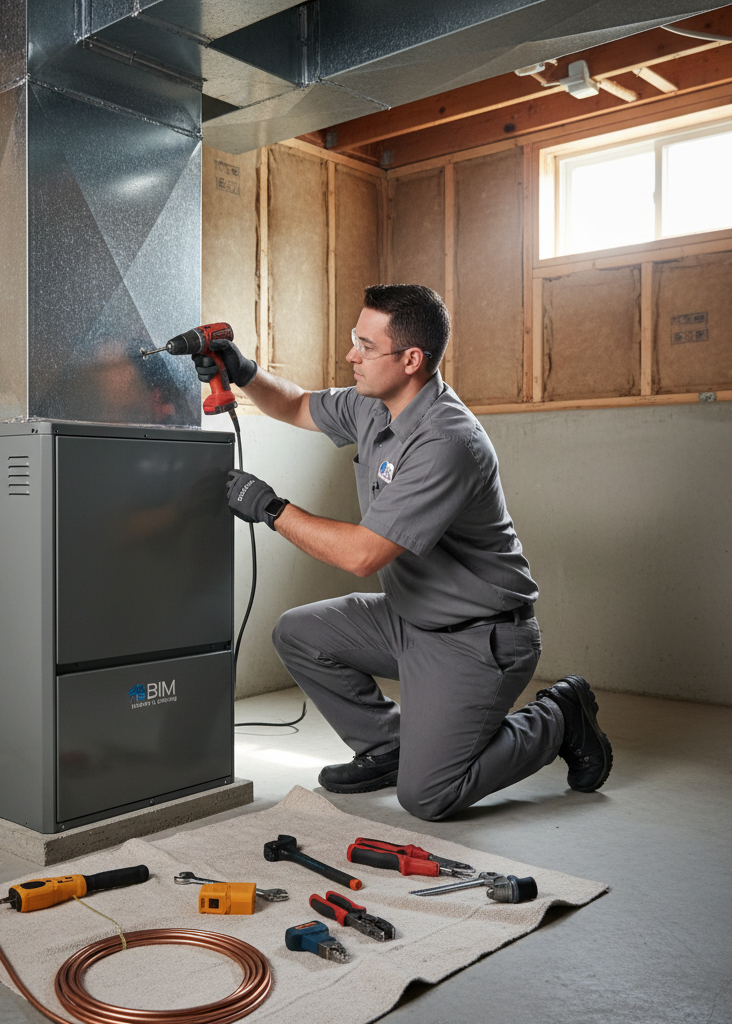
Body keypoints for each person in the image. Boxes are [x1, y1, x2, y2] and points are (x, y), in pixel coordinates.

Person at [196, 284, 612, 821]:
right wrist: (245, 372)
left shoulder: (447, 441)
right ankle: (389, 747)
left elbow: (362, 556)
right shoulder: (374, 405)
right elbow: (298, 405)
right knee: (299, 633)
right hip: (410, 618)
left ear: (411, 359)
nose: (351, 355)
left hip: (478, 637)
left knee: (429, 797)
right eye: (355, 339)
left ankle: (559, 716)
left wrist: (270, 507)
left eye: (366, 346)